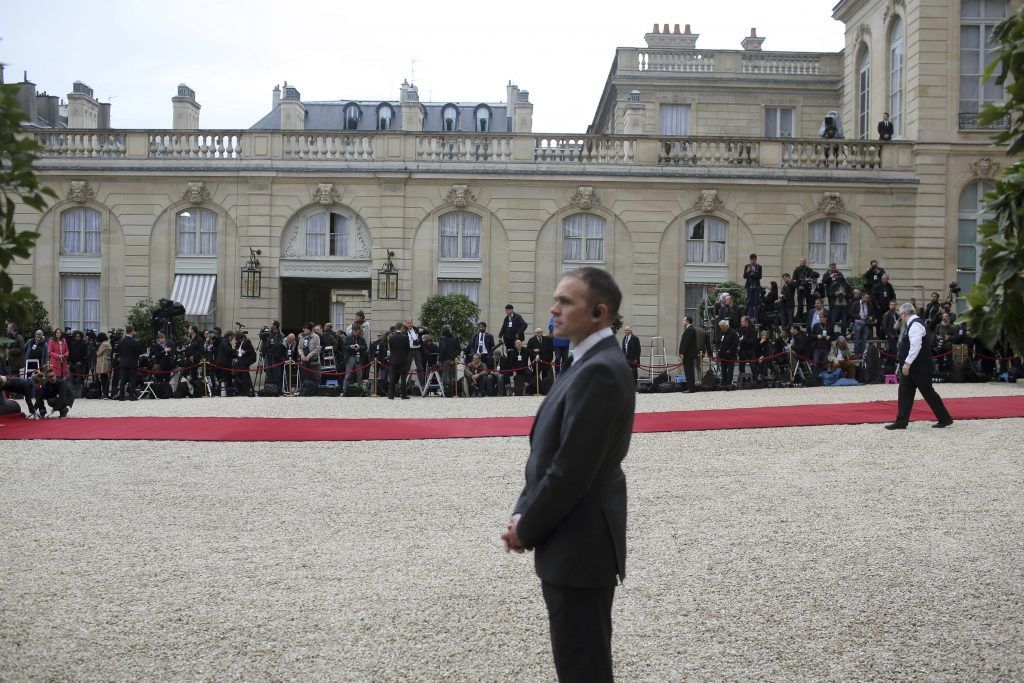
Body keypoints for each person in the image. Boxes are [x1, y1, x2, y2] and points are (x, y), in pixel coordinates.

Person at [501, 267, 634, 683]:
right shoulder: (586, 359)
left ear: (599, 312)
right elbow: (545, 453)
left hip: (581, 543)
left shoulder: (600, 369)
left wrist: (528, 527)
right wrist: (522, 513)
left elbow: (572, 470)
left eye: (565, 302)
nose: (553, 309)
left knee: (583, 669)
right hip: (570, 538)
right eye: (556, 299)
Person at [886, 303, 954, 430]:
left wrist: (907, 363)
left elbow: (915, 345)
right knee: (905, 392)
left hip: (918, 367)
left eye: (901, 315)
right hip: (914, 367)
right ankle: (901, 420)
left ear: (904, 314)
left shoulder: (915, 324)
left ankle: (944, 418)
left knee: (928, 393)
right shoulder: (913, 323)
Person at [116, 327, 142, 400]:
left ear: (126, 331)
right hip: (133, 362)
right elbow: (138, 353)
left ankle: (121, 396)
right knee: (132, 380)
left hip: (123, 362)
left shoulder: (121, 341)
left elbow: (119, 352)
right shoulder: (135, 341)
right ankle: (131, 396)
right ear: (132, 332)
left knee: (122, 380)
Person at [387, 322, 410, 400]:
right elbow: (408, 349)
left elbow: (391, 348)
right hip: (403, 359)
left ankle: (391, 395)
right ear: (401, 328)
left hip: (393, 359)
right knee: (403, 378)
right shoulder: (405, 337)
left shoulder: (391, 337)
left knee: (392, 377)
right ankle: (403, 395)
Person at [716, 319, 739, 386]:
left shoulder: (733, 333)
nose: (721, 329)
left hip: (730, 355)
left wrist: (729, 350)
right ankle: (724, 383)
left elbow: (735, 344)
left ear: (726, 326)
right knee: (723, 369)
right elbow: (718, 342)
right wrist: (718, 349)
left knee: (730, 370)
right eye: (721, 328)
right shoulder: (721, 332)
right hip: (722, 355)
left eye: (722, 327)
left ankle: (729, 383)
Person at [678, 316, 698, 393]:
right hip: (689, 354)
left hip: (688, 354)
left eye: (684, 320)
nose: (683, 321)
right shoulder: (689, 329)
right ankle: (690, 387)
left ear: (687, 321)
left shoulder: (690, 330)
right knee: (688, 371)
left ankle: (691, 388)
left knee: (689, 371)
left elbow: (686, 343)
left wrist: (682, 353)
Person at [743, 253, 763, 318]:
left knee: (756, 302)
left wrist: (754, 272)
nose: (753, 261)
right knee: (749, 301)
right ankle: (750, 316)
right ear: (750, 259)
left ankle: (756, 317)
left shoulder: (759, 267)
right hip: (749, 286)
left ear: (756, 259)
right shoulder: (747, 266)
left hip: (756, 286)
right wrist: (748, 271)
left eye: (754, 260)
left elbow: (760, 276)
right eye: (751, 260)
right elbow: (744, 276)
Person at [94, 332, 113, 398]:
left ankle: (105, 393)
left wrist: (96, 349)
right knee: (105, 378)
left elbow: (98, 353)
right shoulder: (108, 343)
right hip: (107, 361)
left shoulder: (103, 344)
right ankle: (106, 392)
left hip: (103, 361)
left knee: (103, 378)